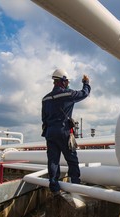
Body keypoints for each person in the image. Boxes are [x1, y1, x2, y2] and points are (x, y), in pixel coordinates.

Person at [41, 68, 91, 196]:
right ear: (63, 81)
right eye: (67, 81)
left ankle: (54, 188)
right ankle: (75, 184)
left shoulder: (45, 99)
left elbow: (44, 118)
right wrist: (86, 83)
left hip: (50, 132)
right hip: (64, 132)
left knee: (53, 161)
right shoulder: (67, 94)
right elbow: (84, 93)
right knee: (72, 159)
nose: (68, 83)